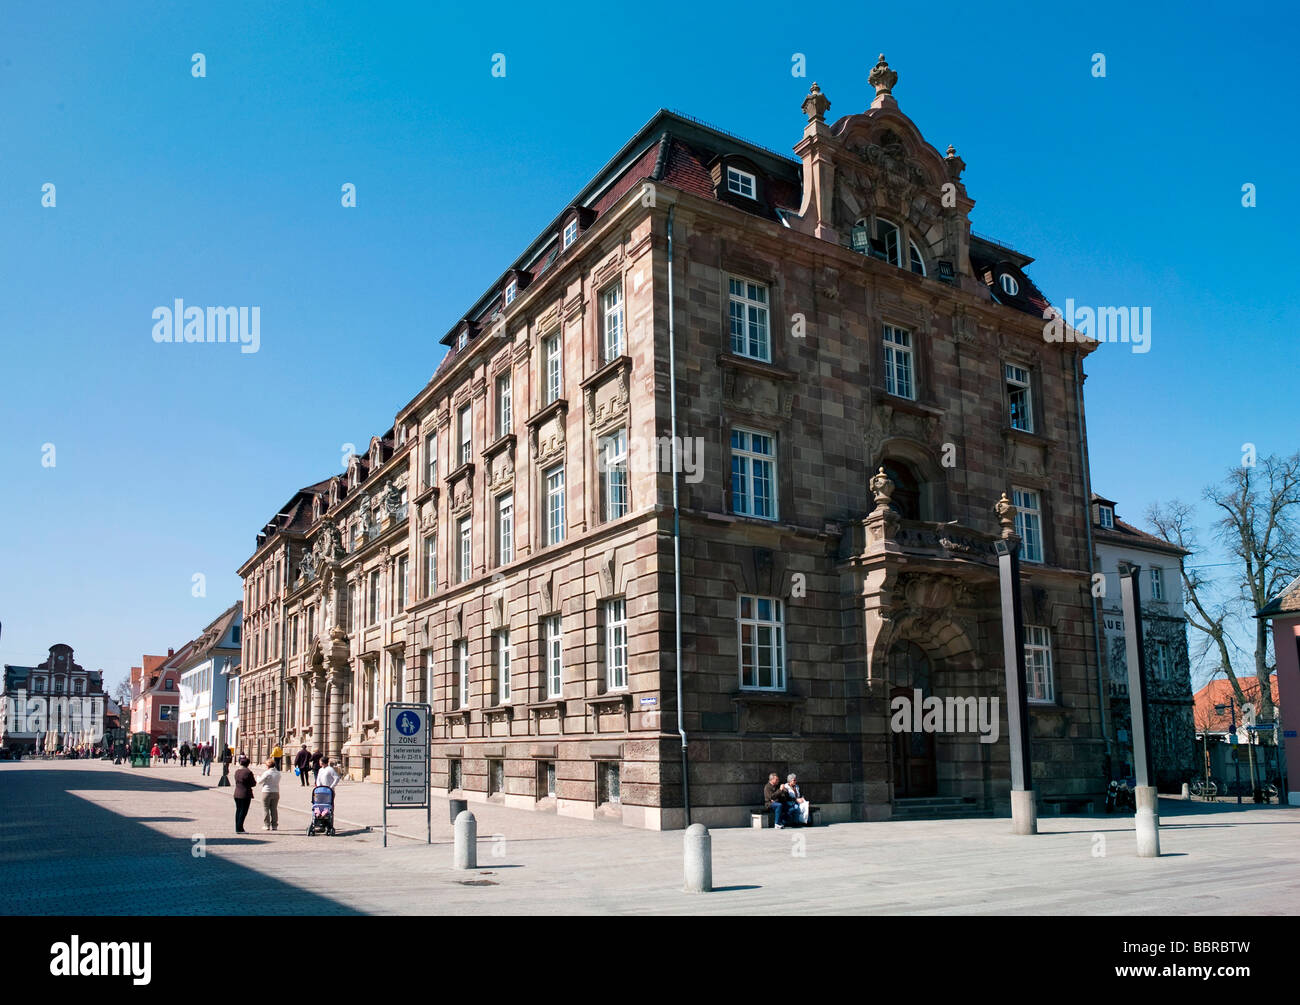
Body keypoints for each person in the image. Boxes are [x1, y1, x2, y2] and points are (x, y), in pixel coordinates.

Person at [232, 756, 256, 834]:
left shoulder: (237, 771)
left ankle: (237, 827)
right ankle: (240, 828)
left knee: (238, 810)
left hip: (236, 793)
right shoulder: (248, 772)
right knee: (243, 811)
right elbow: (253, 783)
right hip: (245, 794)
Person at [257, 758, 282, 831]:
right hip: (276, 792)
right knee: (274, 809)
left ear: (267, 766)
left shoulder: (267, 773)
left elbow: (259, 782)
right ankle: (274, 825)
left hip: (266, 792)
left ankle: (266, 825)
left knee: (266, 809)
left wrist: (258, 777)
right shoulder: (278, 773)